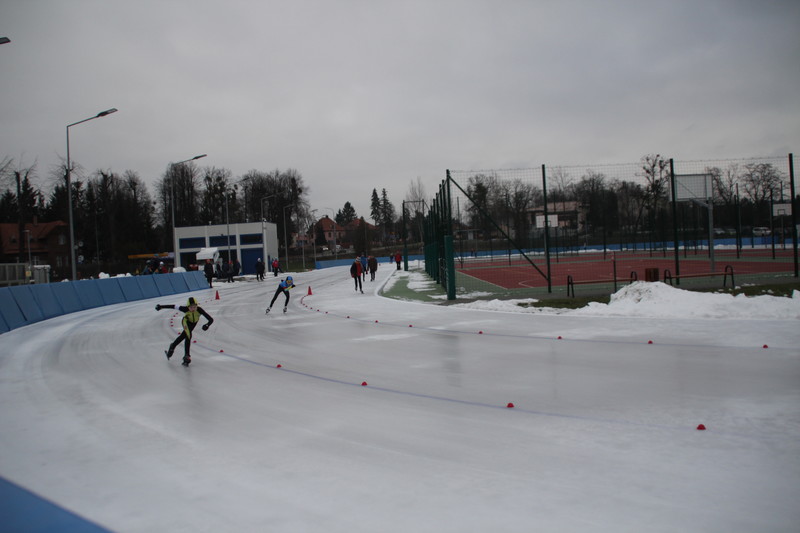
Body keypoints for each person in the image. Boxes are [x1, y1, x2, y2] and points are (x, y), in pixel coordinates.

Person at [156, 296, 214, 367]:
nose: (193, 309)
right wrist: (161, 307)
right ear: (188, 307)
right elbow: (173, 306)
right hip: (186, 322)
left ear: (197, 306)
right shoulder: (184, 309)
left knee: (183, 336)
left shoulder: (199, 310)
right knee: (188, 335)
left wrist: (207, 325)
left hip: (193, 324)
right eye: (191, 307)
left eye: (194, 307)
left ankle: (172, 346)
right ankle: (187, 355)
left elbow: (211, 319)